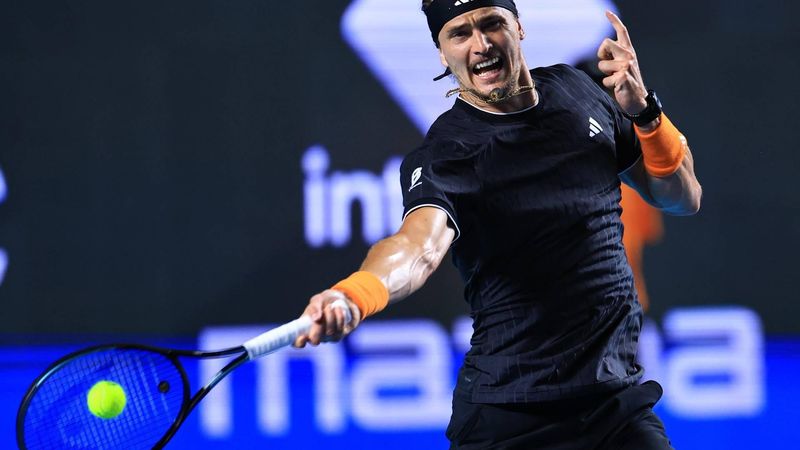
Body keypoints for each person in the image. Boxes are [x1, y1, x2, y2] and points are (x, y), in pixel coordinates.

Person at [294, 0, 702, 448]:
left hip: (614, 404)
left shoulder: (580, 91)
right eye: (460, 34)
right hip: (511, 417)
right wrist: (355, 294)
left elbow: (683, 198)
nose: (481, 44)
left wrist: (644, 113)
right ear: (441, 52)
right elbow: (418, 248)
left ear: (519, 29)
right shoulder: (448, 155)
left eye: (492, 25)